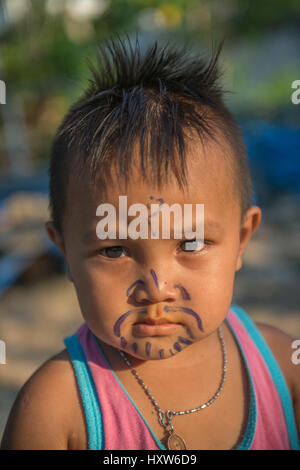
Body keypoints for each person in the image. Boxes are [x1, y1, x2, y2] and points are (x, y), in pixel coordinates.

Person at [1, 36, 299, 451]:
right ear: (65, 250)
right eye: (115, 250)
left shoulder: (283, 369)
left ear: (242, 239)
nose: (157, 289)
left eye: (191, 243)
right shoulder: (56, 409)